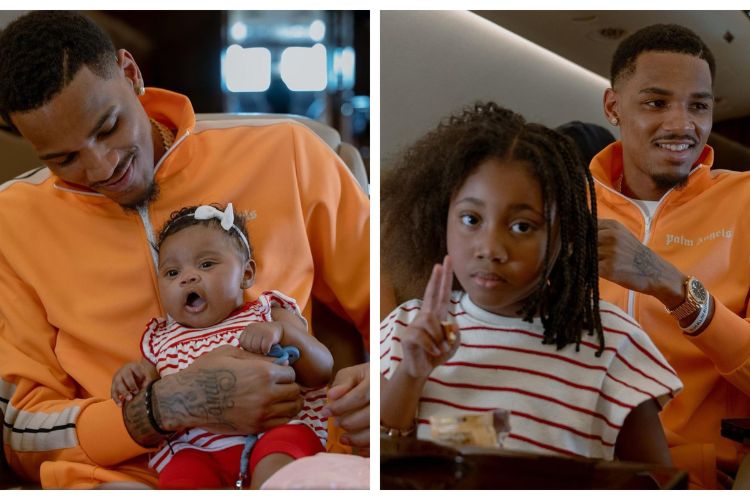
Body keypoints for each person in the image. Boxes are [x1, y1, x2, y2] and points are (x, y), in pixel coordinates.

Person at [0, 11, 369, 488]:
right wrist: (158, 408)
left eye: (108, 127)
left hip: (298, 455)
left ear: (131, 74)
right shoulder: (13, 223)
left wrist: (377, 385)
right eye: (63, 159)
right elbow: (21, 428)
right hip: (121, 481)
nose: (101, 168)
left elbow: (394, 308)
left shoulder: (288, 153)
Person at [380, 102, 682, 463]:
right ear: (440, 218)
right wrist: (411, 375)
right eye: (471, 219)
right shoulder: (405, 329)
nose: (490, 249)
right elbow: (375, 456)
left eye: (522, 226)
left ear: (565, 234)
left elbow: (654, 481)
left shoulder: (614, 344)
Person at [593, 24, 750, 488]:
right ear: (613, 107)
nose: (682, 125)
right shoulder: (560, 205)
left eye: (698, 105)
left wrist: (676, 290)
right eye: (656, 103)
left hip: (694, 478)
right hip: (564, 466)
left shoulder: (746, 204)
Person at [110, 203, 332, 489]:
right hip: (197, 452)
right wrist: (129, 378)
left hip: (276, 433)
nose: (188, 277)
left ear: (246, 274)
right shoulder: (160, 339)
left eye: (206, 264)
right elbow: (147, 391)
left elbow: (323, 370)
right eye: (172, 273)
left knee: (281, 463)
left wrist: (282, 334)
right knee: (181, 476)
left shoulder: (268, 312)